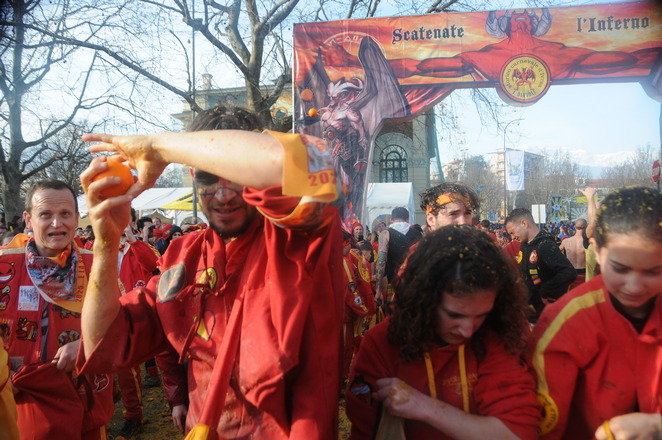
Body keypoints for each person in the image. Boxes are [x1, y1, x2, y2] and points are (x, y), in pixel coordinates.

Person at [78, 105, 344, 439]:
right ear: (192, 175)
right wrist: (105, 242)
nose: (223, 195)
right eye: (207, 176)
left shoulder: (300, 236)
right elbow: (103, 343)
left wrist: (157, 147)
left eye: (237, 177)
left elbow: (303, 159)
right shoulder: (183, 256)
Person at [346, 226, 540, 439]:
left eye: (481, 315)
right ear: (424, 300)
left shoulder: (496, 333)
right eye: (455, 315)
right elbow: (364, 429)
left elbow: (518, 432)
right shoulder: (382, 343)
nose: (467, 331)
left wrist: (425, 407)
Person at [529, 186, 662, 440]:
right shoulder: (566, 323)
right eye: (620, 269)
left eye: (654, 271)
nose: (635, 286)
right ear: (597, 251)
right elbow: (542, 426)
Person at [0, 179, 113, 439]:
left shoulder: (98, 266)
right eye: (45, 215)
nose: (56, 223)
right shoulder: (5, 265)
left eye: (65, 214)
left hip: (85, 396)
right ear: (28, 220)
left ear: (76, 217)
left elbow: (122, 326)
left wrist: (85, 346)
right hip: (19, 401)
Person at [113, 216, 161, 439]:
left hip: (136, 312)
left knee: (128, 367)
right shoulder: (97, 248)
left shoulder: (140, 246)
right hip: (109, 313)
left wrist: (133, 239)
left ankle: (134, 415)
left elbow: (153, 264)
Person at [505, 208, 576, 321]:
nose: (512, 237)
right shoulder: (524, 245)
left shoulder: (545, 244)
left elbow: (568, 272)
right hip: (530, 311)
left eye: (512, 232)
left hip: (547, 314)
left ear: (524, 223)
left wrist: (546, 291)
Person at [373, 207, 413, 304]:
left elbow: (381, 262)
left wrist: (378, 289)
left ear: (391, 220)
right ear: (408, 219)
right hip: (414, 284)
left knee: (394, 312)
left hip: (394, 283)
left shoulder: (386, 234)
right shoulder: (418, 234)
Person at [559, 218, 587, 289]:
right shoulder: (588, 242)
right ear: (586, 227)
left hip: (570, 273)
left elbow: (555, 253)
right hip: (585, 273)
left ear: (574, 227)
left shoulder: (566, 241)